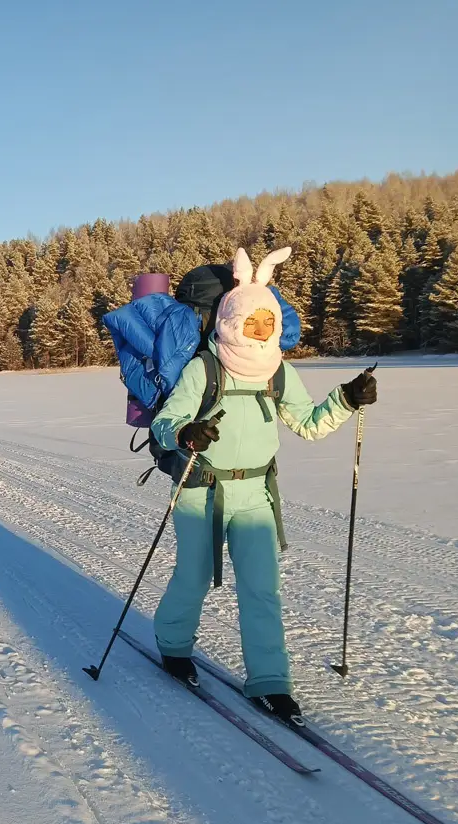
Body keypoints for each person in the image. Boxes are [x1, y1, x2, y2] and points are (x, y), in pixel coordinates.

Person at [149, 248, 378, 723]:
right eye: (249, 321)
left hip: (256, 495)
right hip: (201, 492)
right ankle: (172, 645)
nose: (258, 329)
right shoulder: (204, 369)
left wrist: (346, 399)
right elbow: (165, 423)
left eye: (265, 321)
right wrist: (185, 433)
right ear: (229, 318)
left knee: (261, 589)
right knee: (192, 578)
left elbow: (310, 424)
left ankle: (270, 681)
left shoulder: (278, 370)